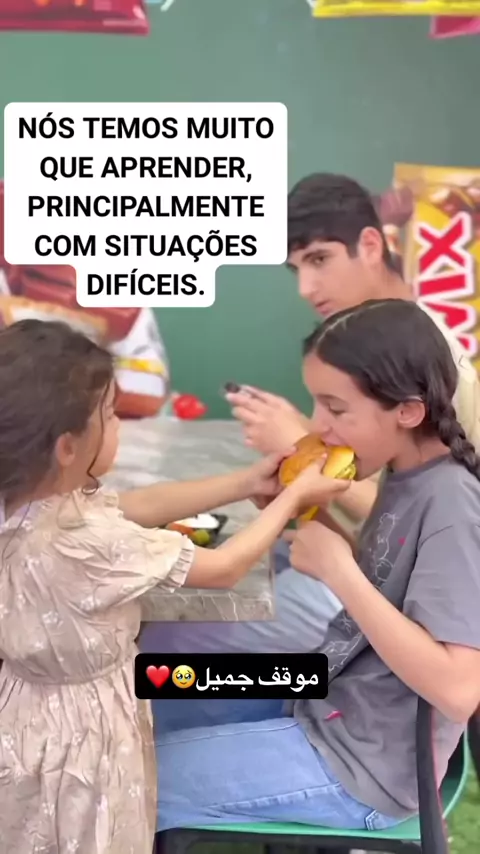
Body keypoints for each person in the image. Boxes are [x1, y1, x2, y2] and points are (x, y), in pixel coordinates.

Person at [0, 319, 348, 854]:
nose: (118, 425)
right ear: (67, 447)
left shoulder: (32, 506)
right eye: (110, 415)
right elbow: (225, 568)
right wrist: (291, 498)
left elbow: (139, 504)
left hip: (24, 716)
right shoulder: (85, 543)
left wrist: (246, 482)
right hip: (87, 732)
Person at [141, 173, 480, 692]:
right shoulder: (358, 341)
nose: (305, 288)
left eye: (319, 259)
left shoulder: (424, 362)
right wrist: (299, 480)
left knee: (169, 646)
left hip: (394, 619)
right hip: (362, 581)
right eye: (296, 268)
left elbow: (427, 529)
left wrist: (295, 445)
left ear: (371, 245)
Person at [156, 299, 480, 832]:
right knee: (146, 698)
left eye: (336, 408)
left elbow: (458, 690)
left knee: (123, 772)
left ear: (407, 411)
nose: (318, 426)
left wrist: (338, 572)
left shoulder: (452, 506)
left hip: (361, 768)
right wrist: (310, 518)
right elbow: (388, 586)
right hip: (320, 699)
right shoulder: (403, 472)